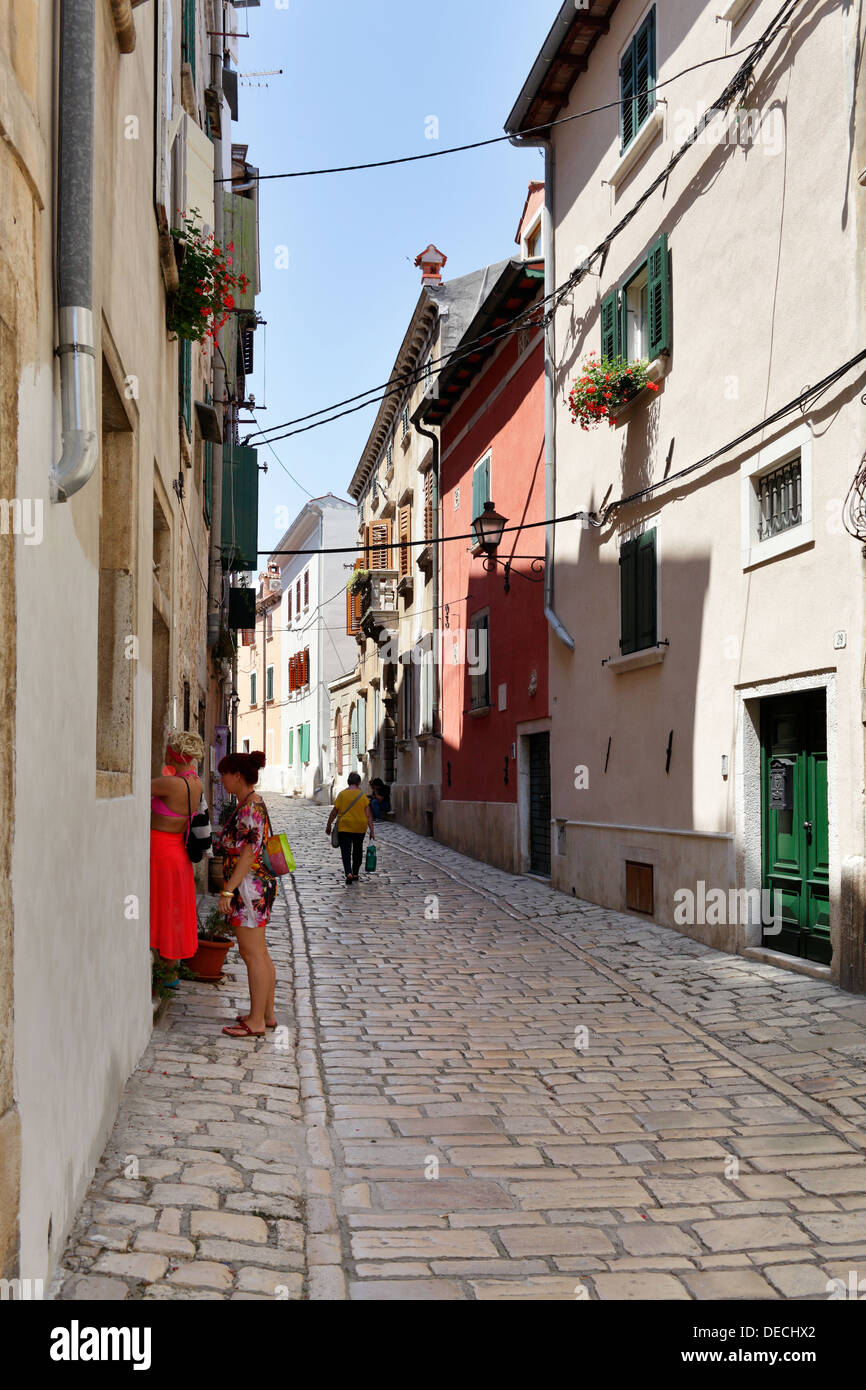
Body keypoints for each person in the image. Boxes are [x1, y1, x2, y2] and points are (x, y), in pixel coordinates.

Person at [215, 750, 278, 1038]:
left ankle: (255, 1021)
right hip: (253, 886)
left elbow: (248, 853)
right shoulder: (251, 803)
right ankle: (265, 1013)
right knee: (259, 953)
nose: (221, 780)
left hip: (248, 888)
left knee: (252, 955)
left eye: (224, 775)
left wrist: (228, 891)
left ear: (237, 775)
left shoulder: (251, 807)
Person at [150, 730, 205, 964]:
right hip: (179, 853)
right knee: (172, 911)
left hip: (159, 850)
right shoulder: (196, 783)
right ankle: (170, 972)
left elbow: (135, 788)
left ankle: (162, 971)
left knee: (157, 906)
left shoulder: (170, 784)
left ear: (172, 754)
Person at [326, 772, 375, 884]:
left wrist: (328, 825)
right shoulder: (362, 796)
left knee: (346, 851)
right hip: (360, 826)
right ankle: (356, 873)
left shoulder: (342, 795)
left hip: (345, 826)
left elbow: (334, 811)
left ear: (348, 781)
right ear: (359, 782)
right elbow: (368, 815)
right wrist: (372, 830)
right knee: (358, 850)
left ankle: (348, 872)